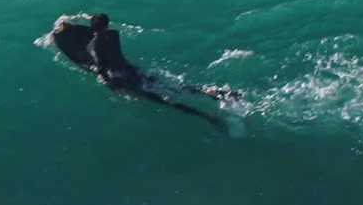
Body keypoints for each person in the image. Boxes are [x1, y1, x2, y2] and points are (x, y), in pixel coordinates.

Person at [49, 13, 239, 124]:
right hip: (133, 70)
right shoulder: (114, 34)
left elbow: (100, 67)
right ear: (106, 26)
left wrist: (110, 86)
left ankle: (206, 116)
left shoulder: (93, 47)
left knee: (166, 101)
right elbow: (94, 30)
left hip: (123, 79)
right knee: (175, 87)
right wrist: (80, 18)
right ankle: (218, 94)